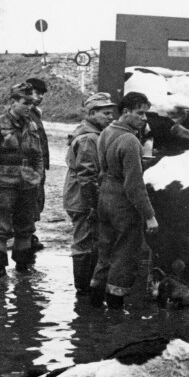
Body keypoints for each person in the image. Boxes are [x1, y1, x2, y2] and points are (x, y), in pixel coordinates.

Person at [88, 91, 159, 310]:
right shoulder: (130, 141)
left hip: (105, 198)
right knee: (125, 254)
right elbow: (134, 186)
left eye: (146, 114)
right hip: (123, 204)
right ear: (126, 112)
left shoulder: (106, 132)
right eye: (140, 113)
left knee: (105, 252)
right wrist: (150, 217)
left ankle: (94, 304)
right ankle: (116, 309)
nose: (144, 118)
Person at [0, 82, 45, 276]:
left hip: (28, 183)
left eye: (31, 103)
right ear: (13, 102)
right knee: (0, 227)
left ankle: (22, 268)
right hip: (4, 183)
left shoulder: (31, 124)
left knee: (26, 227)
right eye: (25, 102)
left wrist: (38, 177)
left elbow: (38, 155)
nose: (29, 107)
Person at [63, 92, 116, 293]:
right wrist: (94, 205)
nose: (111, 117)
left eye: (111, 113)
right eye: (106, 113)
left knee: (88, 240)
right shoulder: (89, 139)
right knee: (84, 242)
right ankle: (83, 290)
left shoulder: (89, 134)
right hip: (82, 199)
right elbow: (87, 176)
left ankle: (86, 286)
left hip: (79, 197)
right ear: (92, 113)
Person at [24, 77, 50, 250]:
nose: (39, 97)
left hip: (38, 165)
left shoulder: (35, 112)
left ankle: (29, 235)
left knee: (36, 201)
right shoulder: (25, 113)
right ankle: (27, 238)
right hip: (30, 166)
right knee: (30, 202)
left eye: (41, 94)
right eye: (36, 93)